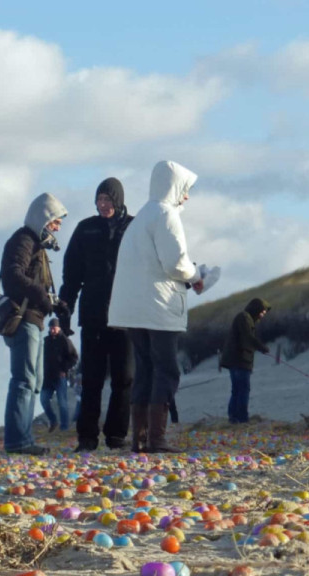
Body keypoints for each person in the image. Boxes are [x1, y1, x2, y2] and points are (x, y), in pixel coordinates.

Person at [110, 160, 204, 454]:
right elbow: (175, 264)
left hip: (133, 310)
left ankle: (140, 438)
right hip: (158, 308)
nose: (186, 196)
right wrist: (197, 275)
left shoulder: (142, 217)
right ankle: (156, 439)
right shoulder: (166, 215)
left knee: (146, 369)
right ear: (173, 187)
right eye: (185, 189)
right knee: (166, 371)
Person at [62, 177, 135, 451]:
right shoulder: (85, 229)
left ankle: (116, 435)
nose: (103, 205)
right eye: (99, 200)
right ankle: (87, 436)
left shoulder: (135, 227)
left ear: (118, 200)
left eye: (107, 200)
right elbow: (71, 275)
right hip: (93, 315)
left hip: (126, 315)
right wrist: (66, 308)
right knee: (91, 379)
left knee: (124, 378)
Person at [0, 192, 68, 455]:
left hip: (36, 319)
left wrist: (56, 303)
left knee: (33, 381)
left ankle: (23, 438)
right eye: (55, 221)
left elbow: (33, 281)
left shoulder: (35, 245)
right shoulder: (23, 240)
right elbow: (13, 275)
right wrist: (42, 297)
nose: (58, 227)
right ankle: (18, 441)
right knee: (24, 380)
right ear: (43, 218)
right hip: (24, 319)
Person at [218, 298, 270, 424]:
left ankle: (234, 417)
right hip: (240, 360)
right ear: (256, 309)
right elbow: (248, 337)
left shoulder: (246, 318)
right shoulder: (244, 317)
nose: (262, 315)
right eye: (262, 312)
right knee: (242, 389)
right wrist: (262, 347)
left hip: (236, 360)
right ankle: (241, 418)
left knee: (237, 389)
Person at [42, 321, 77, 432]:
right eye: (50, 328)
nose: (52, 330)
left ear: (58, 328)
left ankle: (64, 427)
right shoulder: (46, 341)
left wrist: (64, 369)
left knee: (62, 402)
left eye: (54, 328)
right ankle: (53, 421)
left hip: (60, 376)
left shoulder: (65, 340)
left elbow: (74, 357)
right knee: (44, 399)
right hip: (47, 377)